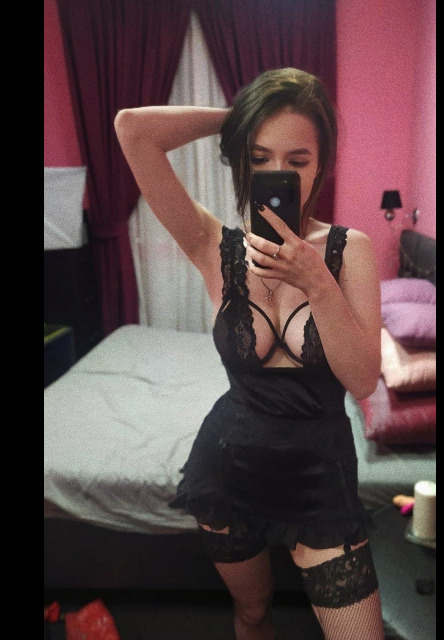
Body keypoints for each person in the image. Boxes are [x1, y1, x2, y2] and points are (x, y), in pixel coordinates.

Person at [115, 67, 384, 640]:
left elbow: (363, 380)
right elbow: (133, 129)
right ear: (241, 160)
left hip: (320, 479)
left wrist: (318, 283)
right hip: (229, 470)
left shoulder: (350, 251)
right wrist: (239, 119)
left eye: (297, 160)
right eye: (259, 158)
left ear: (322, 164)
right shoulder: (211, 244)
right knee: (253, 614)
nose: (277, 173)